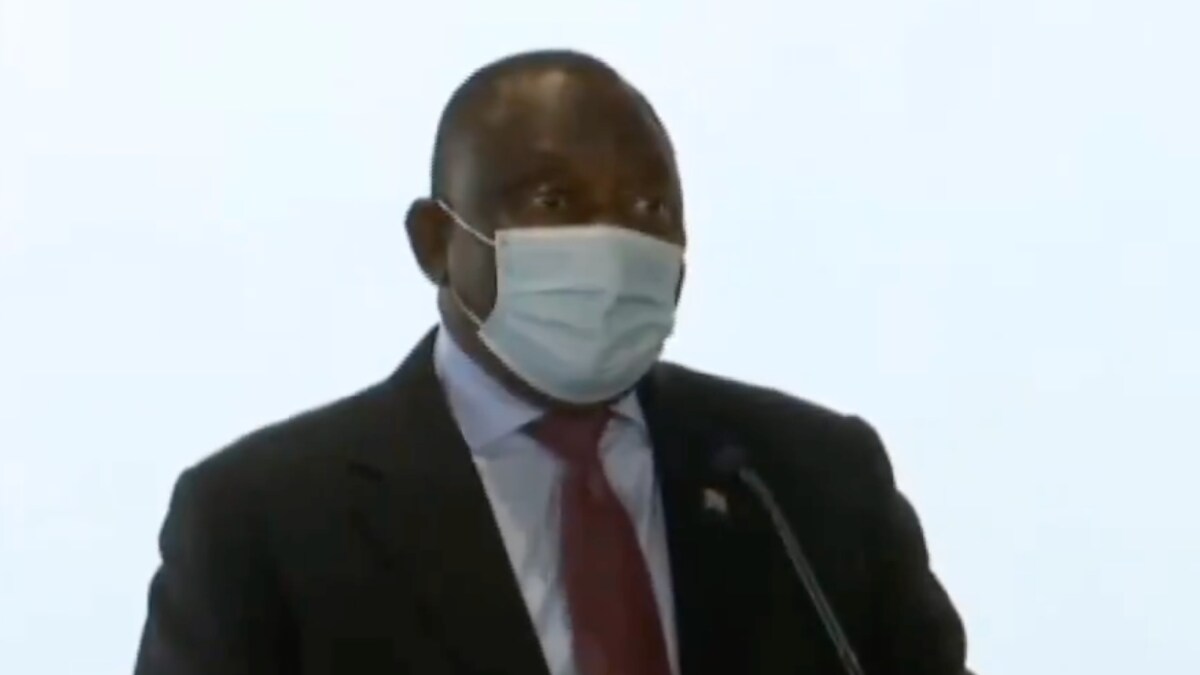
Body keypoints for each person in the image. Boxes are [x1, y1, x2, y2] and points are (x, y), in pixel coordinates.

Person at [133, 49, 969, 675]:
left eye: (650, 207)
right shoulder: (260, 524)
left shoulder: (807, 483)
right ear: (435, 241)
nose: (612, 238)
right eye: (554, 200)